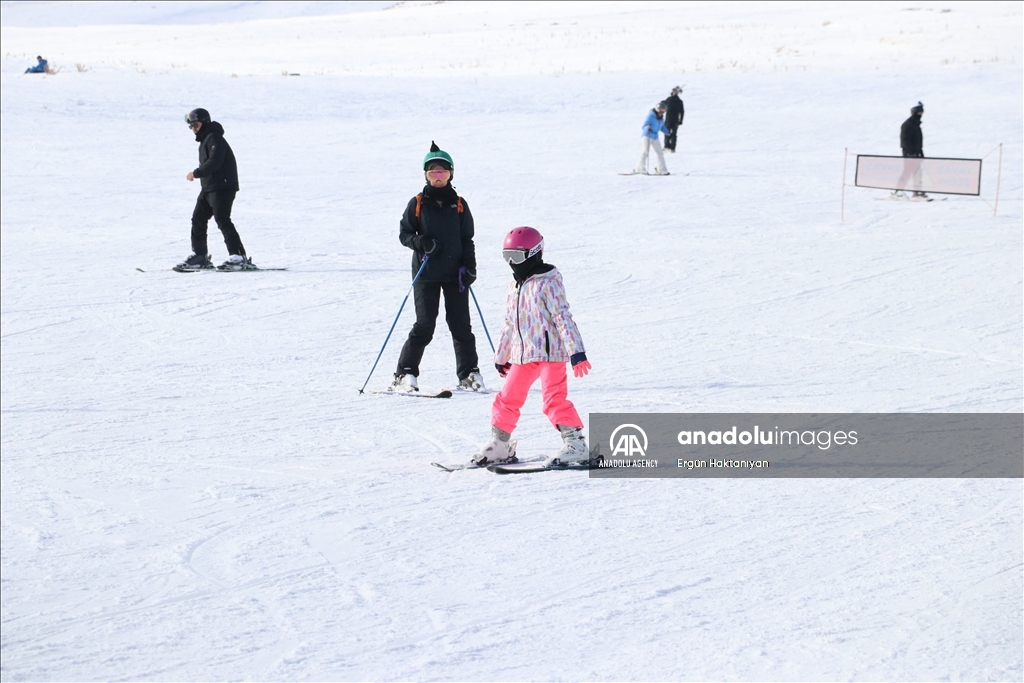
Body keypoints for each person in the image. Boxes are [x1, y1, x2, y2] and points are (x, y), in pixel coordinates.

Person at [472, 227, 592, 467]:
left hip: (550, 353)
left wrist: (576, 351)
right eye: (507, 257)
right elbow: (509, 323)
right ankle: (500, 444)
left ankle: (576, 443)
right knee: (507, 398)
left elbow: (563, 317)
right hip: (522, 354)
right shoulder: (514, 287)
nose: (511, 264)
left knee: (553, 400)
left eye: (515, 257)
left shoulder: (548, 283)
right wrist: (502, 355)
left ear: (533, 254)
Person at [392, 142, 484, 393]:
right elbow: (404, 234)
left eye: (442, 172)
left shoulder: (460, 204)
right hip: (427, 274)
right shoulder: (418, 203)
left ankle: (468, 372)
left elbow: (467, 239)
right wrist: (422, 242)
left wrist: (470, 267)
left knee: (461, 325)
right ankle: (405, 372)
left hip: (456, 275)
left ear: (451, 174)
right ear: (426, 175)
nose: (438, 177)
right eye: (433, 172)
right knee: (425, 325)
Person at [177, 108, 254, 271]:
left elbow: (215, 162)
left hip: (223, 187)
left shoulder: (214, 138)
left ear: (205, 123)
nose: (194, 129)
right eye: (191, 127)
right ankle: (200, 256)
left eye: (196, 125)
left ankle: (239, 256)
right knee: (198, 219)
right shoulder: (206, 139)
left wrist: (196, 173)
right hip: (209, 187)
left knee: (222, 219)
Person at [899, 101, 927, 198]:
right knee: (907, 172)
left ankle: (917, 192)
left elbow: (918, 142)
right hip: (909, 154)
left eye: (922, 112)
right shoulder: (908, 125)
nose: (921, 114)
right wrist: (910, 153)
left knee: (917, 172)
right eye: (919, 112)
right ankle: (898, 191)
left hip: (916, 154)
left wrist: (920, 153)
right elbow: (904, 141)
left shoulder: (916, 124)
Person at [635, 102, 669, 175]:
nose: (662, 113)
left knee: (660, 153)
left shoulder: (661, 118)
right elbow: (644, 126)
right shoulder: (650, 116)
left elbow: (662, 127)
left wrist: (667, 132)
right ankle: (639, 168)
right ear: (657, 110)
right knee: (645, 151)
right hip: (647, 135)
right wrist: (647, 127)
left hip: (655, 137)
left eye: (664, 111)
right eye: (661, 111)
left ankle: (662, 169)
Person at [663, 86, 684, 153]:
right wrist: (681, 120)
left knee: (667, 132)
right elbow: (682, 112)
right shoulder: (680, 101)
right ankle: (673, 148)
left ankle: (666, 146)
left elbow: (663, 104)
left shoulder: (669, 99)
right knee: (674, 134)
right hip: (676, 120)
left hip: (668, 119)